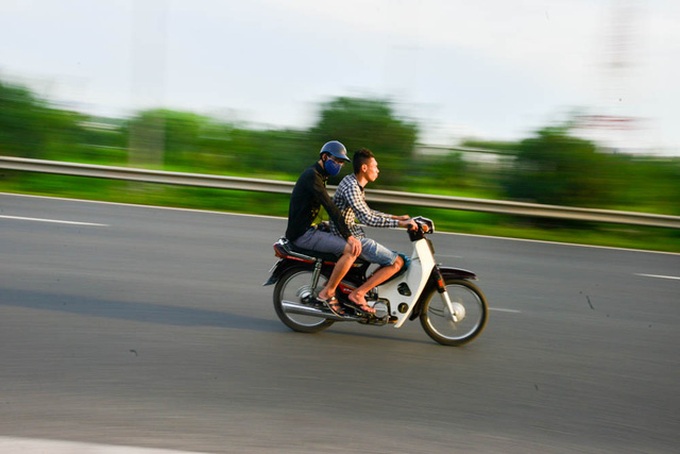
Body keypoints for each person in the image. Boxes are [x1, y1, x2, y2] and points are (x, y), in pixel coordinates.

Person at [331, 148, 416, 314]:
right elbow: (367, 219)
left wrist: (397, 218)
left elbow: (368, 211)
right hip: (350, 238)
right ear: (364, 168)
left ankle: (366, 290)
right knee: (397, 262)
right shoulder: (351, 188)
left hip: (352, 234)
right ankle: (359, 293)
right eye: (375, 166)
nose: (378, 170)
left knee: (395, 259)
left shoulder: (354, 183)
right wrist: (401, 225)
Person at [285, 140, 362, 316]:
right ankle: (328, 292)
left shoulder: (319, 175)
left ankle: (340, 287)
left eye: (342, 162)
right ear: (325, 157)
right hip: (303, 234)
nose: (340, 165)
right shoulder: (312, 176)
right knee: (351, 250)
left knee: (343, 241)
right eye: (337, 161)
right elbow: (330, 206)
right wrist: (348, 235)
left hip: (308, 228)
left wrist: (332, 225)